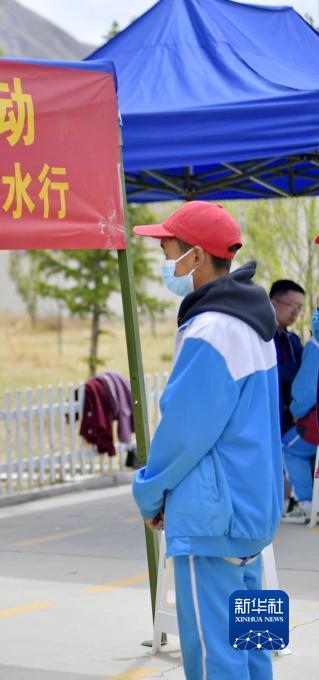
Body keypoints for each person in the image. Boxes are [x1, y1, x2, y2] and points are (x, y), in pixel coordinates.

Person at [131, 202, 282, 680]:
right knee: (254, 646)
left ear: (196, 257)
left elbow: (183, 430)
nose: (161, 254)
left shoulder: (211, 330)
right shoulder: (256, 323)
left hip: (214, 520)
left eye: (167, 247)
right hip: (253, 515)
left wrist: (150, 492)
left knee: (214, 658)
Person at [280, 294, 319, 522]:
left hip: (315, 425)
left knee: (289, 446)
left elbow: (305, 390)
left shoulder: (316, 345)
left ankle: (307, 502)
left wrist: (295, 411)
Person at [269, 279, 305, 434]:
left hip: (290, 424)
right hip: (268, 417)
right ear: (273, 302)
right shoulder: (261, 336)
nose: (295, 312)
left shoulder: (294, 341)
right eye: (291, 305)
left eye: (299, 307)